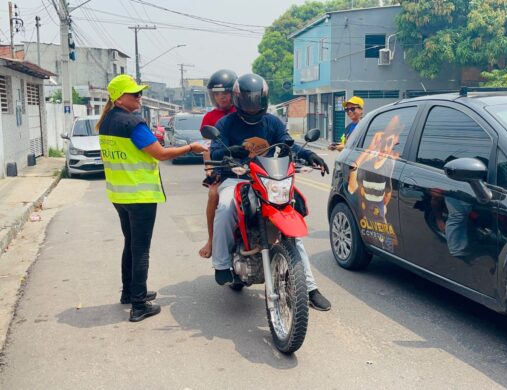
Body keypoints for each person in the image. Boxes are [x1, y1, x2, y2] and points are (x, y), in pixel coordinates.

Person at [209, 73, 332, 311]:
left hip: (268, 178)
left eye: (257, 99)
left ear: (264, 99)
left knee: (291, 227)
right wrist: (226, 153)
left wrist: (309, 155)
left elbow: (288, 145)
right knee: (224, 208)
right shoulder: (226, 124)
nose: (252, 105)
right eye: (248, 99)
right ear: (238, 99)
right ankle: (221, 264)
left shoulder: (273, 122)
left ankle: (309, 287)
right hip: (237, 178)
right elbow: (215, 149)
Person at [97, 74, 208, 322]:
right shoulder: (133, 123)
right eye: (134, 93)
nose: (139, 96)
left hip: (119, 194)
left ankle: (129, 293)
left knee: (130, 244)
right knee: (140, 249)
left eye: (140, 92)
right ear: (119, 98)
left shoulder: (106, 122)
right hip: (139, 195)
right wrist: (192, 148)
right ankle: (139, 305)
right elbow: (161, 154)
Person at [199, 69, 238, 259]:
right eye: (217, 94)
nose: (221, 97)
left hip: (249, 167)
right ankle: (212, 239)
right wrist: (209, 169)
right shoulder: (210, 118)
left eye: (225, 93)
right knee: (214, 194)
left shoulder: (244, 111)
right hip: (222, 169)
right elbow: (207, 148)